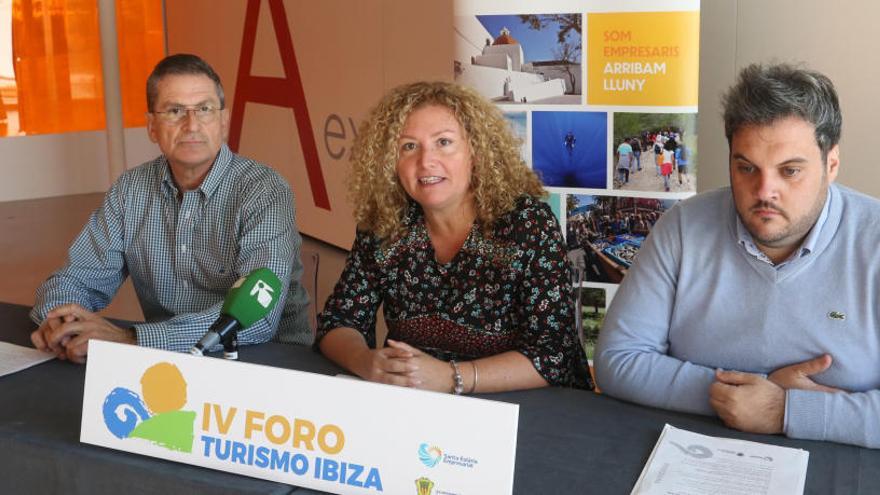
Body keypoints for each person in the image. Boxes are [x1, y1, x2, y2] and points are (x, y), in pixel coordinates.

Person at [595, 63, 880, 449]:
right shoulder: (683, 227)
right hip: (691, 455)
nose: (765, 191)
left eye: (790, 171)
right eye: (746, 167)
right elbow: (617, 360)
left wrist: (785, 411)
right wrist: (741, 396)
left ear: (831, 165)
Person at [29, 54, 311, 363]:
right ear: (152, 126)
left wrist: (131, 339)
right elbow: (77, 278)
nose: (191, 125)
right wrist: (62, 322)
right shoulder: (130, 190)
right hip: (164, 360)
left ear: (223, 121)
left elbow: (258, 317)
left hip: (265, 362)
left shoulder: (264, 191)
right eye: (175, 111)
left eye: (204, 109)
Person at [316, 81, 591, 394]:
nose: (425, 161)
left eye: (443, 142)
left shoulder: (528, 225)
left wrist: (453, 377)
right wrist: (366, 362)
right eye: (408, 146)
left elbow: (554, 355)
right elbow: (337, 321)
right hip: (419, 411)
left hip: (525, 409)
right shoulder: (385, 225)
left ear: (475, 151)